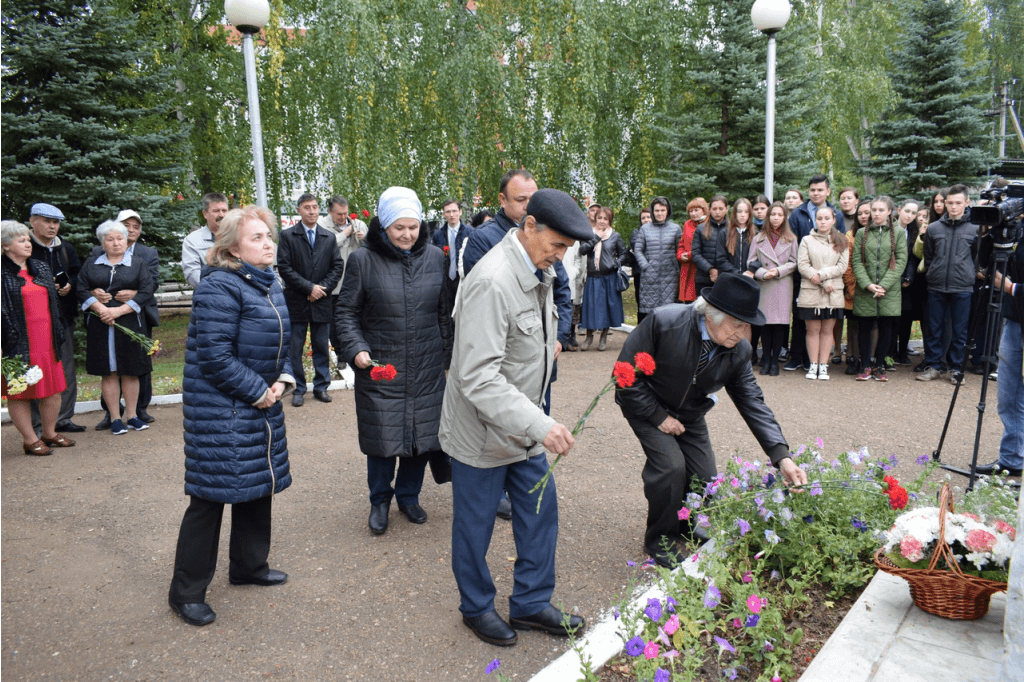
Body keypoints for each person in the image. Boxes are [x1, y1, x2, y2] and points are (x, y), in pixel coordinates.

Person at [440, 188, 592, 647]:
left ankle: (529, 603)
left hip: (521, 428)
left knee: (539, 514)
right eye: (557, 246)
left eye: (567, 249)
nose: (561, 257)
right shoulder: (493, 280)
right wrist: (542, 425)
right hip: (482, 435)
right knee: (475, 529)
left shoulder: (536, 266)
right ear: (529, 226)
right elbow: (478, 378)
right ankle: (477, 608)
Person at [616, 273, 809, 568]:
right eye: (737, 324)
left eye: (747, 326)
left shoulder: (739, 351)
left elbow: (752, 402)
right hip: (646, 405)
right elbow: (623, 376)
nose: (743, 334)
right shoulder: (664, 323)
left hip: (691, 414)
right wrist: (658, 417)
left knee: (706, 481)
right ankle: (659, 540)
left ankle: (683, 524)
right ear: (711, 314)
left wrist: (781, 457)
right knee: (670, 468)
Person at [167, 205, 294, 628]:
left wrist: (283, 379)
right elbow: (215, 357)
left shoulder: (268, 282)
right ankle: (185, 592)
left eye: (269, 236)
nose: (267, 243)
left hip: (259, 402)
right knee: (209, 499)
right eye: (256, 238)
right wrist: (258, 390)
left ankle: (249, 567)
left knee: (259, 485)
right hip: (221, 410)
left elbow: (281, 342)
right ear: (232, 248)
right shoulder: (219, 287)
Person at [335, 187, 452, 535]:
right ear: (384, 225)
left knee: (420, 439)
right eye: (399, 227)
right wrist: (356, 348)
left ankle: (409, 496)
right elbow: (345, 313)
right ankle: (380, 500)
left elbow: (444, 313)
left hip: (427, 366)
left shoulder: (435, 257)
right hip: (382, 367)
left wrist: (447, 357)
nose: (407, 234)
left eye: (413, 227)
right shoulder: (362, 260)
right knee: (383, 442)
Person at [460, 169, 573, 522]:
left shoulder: (547, 251)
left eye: (531, 198)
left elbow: (561, 294)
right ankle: (499, 491)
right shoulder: (486, 246)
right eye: (520, 200)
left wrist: (557, 338)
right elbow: (486, 322)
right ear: (504, 202)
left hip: (534, 375)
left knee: (540, 510)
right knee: (478, 512)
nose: (527, 205)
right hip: (500, 378)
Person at [1, 221, 74, 456]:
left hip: (46, 339)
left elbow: (53, 303)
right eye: (20, 240)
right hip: (17, 341)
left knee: (52, 389)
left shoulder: (41, 268)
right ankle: (30, 439)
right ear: (5, 246)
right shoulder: (2, 274)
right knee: (20, 392)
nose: (27, 243)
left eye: (27, 239)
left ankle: (49, 433)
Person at [78, 220, 155, 434]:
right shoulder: (92, 263)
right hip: (101, 326)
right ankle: (115, 418)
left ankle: (132, 415)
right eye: (110, 239)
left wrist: (118, 311)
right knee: (109, 372)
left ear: (126, 240)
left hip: (130, 322)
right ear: (102, 242)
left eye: (119, 238)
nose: (115, 243)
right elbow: (81, 288)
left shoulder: (137, 263)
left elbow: (146, 291)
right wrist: (100, 308)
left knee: (131, 370)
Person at [277, 193, 345, 406]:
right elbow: (285, 267)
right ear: (299, 210)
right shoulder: (288, 236)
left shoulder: (328, 236)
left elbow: (337, 267)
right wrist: (308, 288)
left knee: (321, 346)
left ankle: (321, 386)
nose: (312, 211)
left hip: (322, 300)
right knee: (295, 347)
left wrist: (321, 289)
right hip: (297, 300)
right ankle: (298, 389)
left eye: (315, 207)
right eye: (307, 207)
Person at [27, 203, 84, 433]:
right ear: (33, 221)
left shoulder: (65, 248)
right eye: (47, 221)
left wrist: (70, 284)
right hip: (34, 321)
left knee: (66, 369)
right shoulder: (23, 245)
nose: (53, 226)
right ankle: (38, 424)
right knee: (34, 370)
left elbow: (78, 273)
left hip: (63, 318)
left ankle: (63, 418)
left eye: (56, 222)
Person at [975, 221, 1024, 477]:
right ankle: (1012, 460)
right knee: (1009, 396)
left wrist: (1011, 288)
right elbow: (984, 262)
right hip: (1015, 321)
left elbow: (1008, 282)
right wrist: (987, 230)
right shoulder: (1018, 226)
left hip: (1015, 303)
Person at [916, 185, 978, 385]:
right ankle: (934, 365)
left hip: (963, 287)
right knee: (934, 328)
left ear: (967, 203)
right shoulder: (934, 228)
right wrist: (934, 273)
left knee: (960, 331)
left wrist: (969, 273)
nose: (953, 207)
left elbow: (978, 257)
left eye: (958, 203)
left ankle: (956, 369)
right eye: (949, 203)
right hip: (937, 286)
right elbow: (929, 256)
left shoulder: (974, 228)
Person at [785, 175, 841, 373]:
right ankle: (797, 356)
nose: (816, 193)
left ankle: (815, 361)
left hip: (828, 279)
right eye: (812, 190)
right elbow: (791, 242)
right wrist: (807, 270)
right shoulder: (797, 213)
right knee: (801, 318)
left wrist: (824, 276)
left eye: (820, 189)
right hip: (804, 274)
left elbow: (839, 247)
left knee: (823, 322)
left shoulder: (836, 214)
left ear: (827, 191)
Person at [852, 196, 907, 382]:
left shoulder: (898, 233)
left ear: (889, 212)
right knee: (865, 328)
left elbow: (900, 261)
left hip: (888, 290)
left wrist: (883, 285)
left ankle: (880, 365)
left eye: (880, 210)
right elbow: (857, 262)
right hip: (865, 289)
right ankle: (865, 364)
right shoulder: (861, 233)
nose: (876, 214)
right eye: (873, 210)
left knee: (886, 329)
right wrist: (868, 284)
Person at [796, 206, 849, 380]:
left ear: (833, 220)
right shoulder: (806, 240)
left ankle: (823, 366)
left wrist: (822, 276)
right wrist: (823, 281)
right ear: (815, 220)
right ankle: (813, 365)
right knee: (812, 330)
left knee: (827, 330)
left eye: (827, 218)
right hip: (811, 292)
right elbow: (803, 265)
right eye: (820, 218)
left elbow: (842, 266)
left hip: (833, 293)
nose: (823, 221)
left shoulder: (841, 240)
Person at [317, 195, 367, 373]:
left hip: (355, 280)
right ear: (330, 211)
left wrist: (363, 237)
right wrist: (345, 233)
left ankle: (355, 351)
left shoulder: (358, 223)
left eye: (345, 213)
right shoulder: (322, 225)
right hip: (333, 282)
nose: (343, 217)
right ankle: (340, 355)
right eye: (339, 214)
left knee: (357, 318)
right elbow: (323, 247)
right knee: (335, 322)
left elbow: (369, 247)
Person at [749, 202, 798, 375]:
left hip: (782, 283)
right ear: (768, 216)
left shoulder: (791, 238)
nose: (776, 218)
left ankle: (775, 361)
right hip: (765, 284)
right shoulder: (758, 238)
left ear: (784, 217)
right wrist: (762, 273)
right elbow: (751, 262)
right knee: (765, 324)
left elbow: (794, 262)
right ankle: (766, 359)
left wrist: (778, 270)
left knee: (779, 325)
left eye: (779, 214)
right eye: (773, 214)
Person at [579, 206, 626, 350]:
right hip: (593, 277)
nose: (602, 221)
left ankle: (603, 337)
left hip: (609, 277)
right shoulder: (588, 233)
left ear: (610, 220)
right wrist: (595, 239)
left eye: (606, 219)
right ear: (595, 218)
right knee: (590, 308)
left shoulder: (615, 235)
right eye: (600, 218)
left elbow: (623, 254)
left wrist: (616, 263)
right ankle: (588, 337)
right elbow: (582, 250)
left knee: (607, 307)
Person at [633, 197, 681, 324]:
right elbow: (638, 250)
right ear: (653, 212)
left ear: (668, 211)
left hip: (670, 277)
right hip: (649, 277)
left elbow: (679, 250)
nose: (659, 213)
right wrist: (646, 266)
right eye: (657, 210)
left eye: (662, 210)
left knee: (669, 313)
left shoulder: (676, 229)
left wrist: (675, 267)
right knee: (649, 314)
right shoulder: (645, 229)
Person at [843, 199, 872, 375]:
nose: (863, 216)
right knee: (853, 324)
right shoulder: (850, 235)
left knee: (871, 325)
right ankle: (852, 358)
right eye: (860, 213)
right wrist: (852, 287)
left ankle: (868, 359)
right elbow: (848, 264)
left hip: (874, 289)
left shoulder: (881, 234)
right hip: (854, 287)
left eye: (866, 213)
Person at [892, 199, 921, 366]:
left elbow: (912, 257)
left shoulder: (914, 231)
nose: (909, 216)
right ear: (899, 209)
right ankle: (890, 352)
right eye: (907, 211)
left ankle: (902, 351)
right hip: (890, 278)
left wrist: (908, 277)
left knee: (907, 315)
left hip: (907, 281)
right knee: (892, 318)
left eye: (913, 213)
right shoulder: (890, 228)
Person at [181, 192, 229, 288]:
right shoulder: (192, 241)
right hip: (210, 295)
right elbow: (192, 275)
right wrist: (222, 289)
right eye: (216, 211)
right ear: (205, 214)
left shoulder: (238, 236)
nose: (221, 214)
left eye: (224, 210)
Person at [431, 198, 470, 308]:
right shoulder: (438, 235)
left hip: (463, 280)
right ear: (443, 214)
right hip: (446, 281)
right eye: (448, 212)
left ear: (460, 212)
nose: (451, 215)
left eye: (454, 211)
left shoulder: (470, 233)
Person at [691, 195, 728, 298]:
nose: (717, 212)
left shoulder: (732, 229)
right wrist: (710, 269)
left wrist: (721, 272)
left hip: (726, 279)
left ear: (726, 209)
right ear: (709, 210)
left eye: (721, 208)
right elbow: (695, 253)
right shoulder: (701, 228)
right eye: (714, 209)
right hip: (703, 279)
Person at [676, 198, 707, 303]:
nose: (693, 214)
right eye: (690, 211)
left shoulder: (708, 223)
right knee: (689, 303)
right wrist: (680, 255)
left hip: (700, 267)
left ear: (704, 210)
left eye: (696, 210)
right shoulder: (688, 224)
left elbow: (706, 246)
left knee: (701, 301)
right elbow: (681, 243)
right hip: (687, 267)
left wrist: (690, 255)